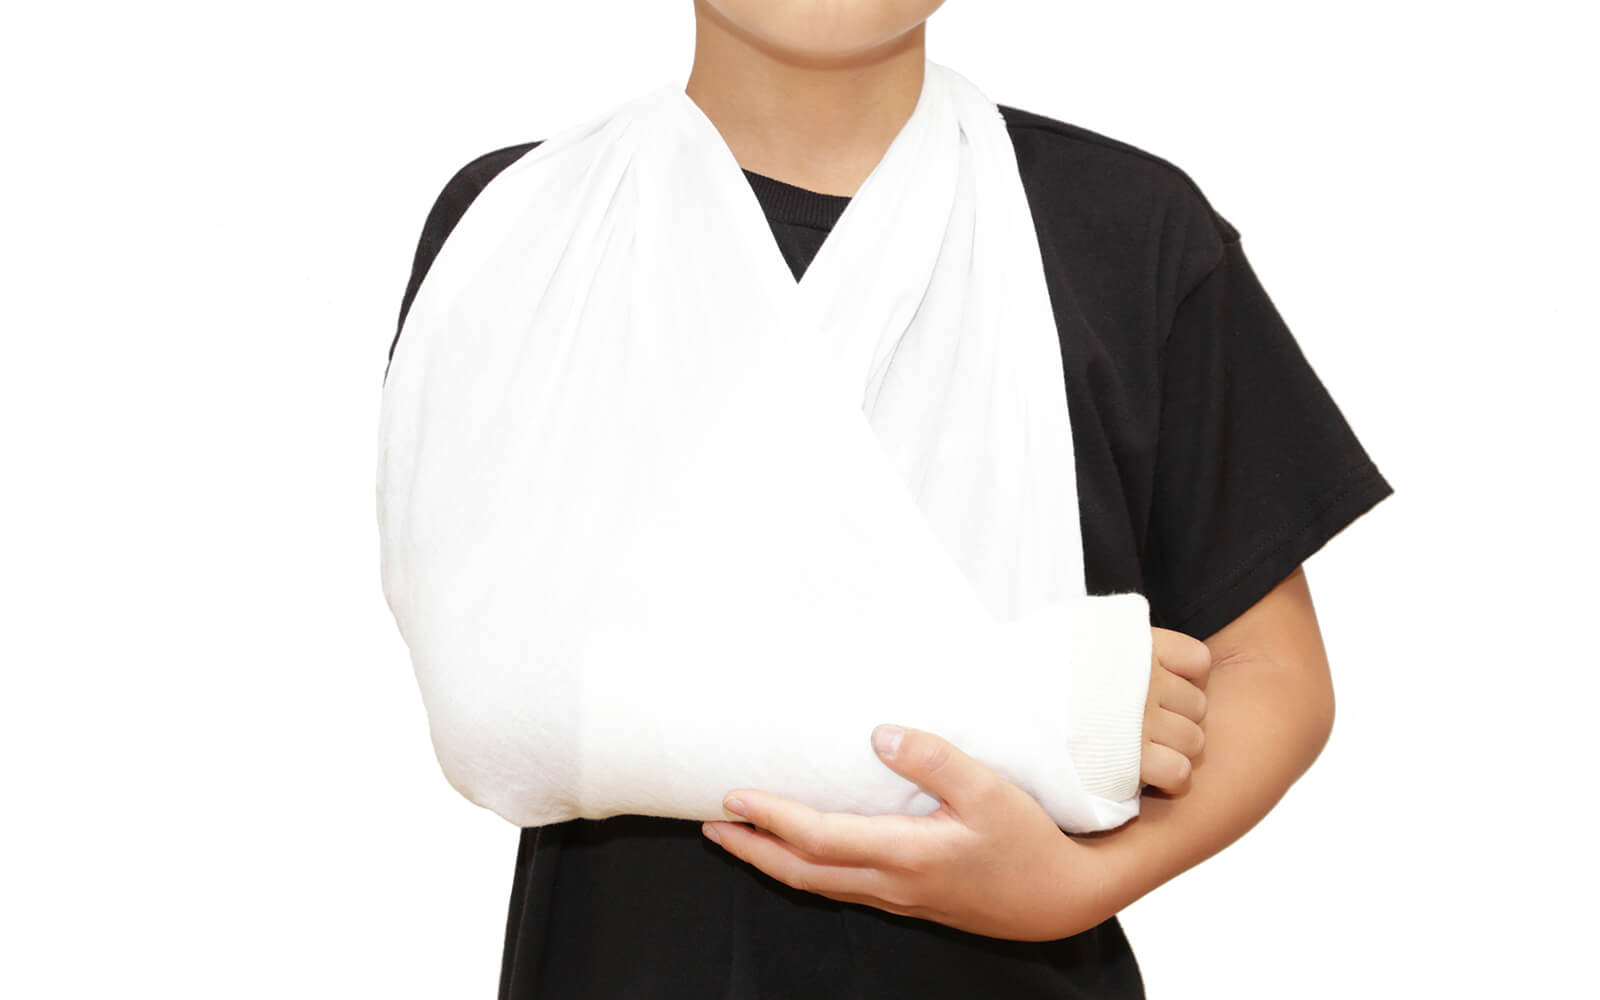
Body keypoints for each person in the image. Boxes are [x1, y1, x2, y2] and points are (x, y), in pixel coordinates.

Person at [385, 2, 1392, 996]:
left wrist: (1074, 886)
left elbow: (1273, 671)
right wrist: (1032, 708)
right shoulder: (516, 226)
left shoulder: (1128, 232)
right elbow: (491, 697)